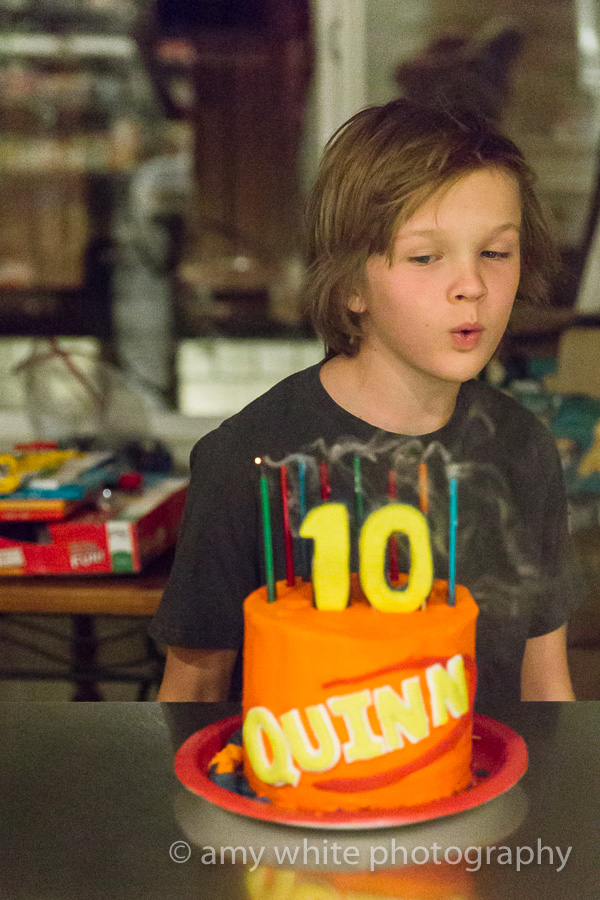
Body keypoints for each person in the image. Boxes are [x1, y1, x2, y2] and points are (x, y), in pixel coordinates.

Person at [151, 99, 576, 706]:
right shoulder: (247, 460)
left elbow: (546, 684)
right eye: (426, 257)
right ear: (351, 284)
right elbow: (192, 691)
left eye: (495, 253)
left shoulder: (522, 448)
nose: (472, 286)